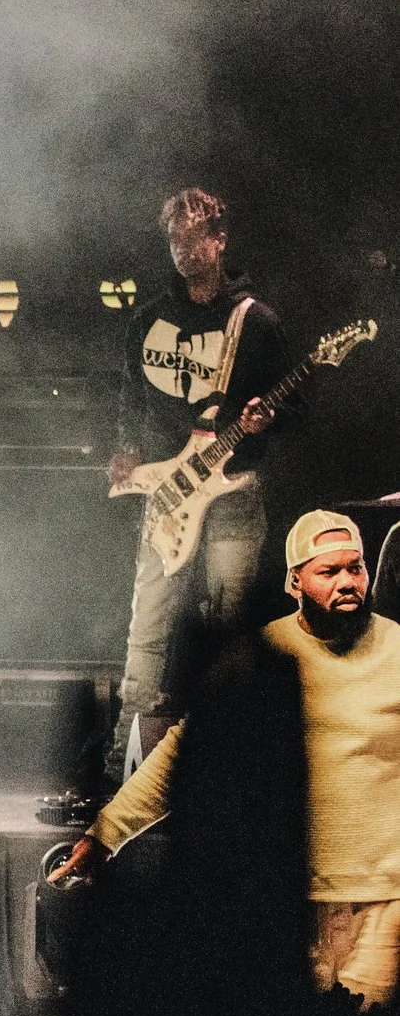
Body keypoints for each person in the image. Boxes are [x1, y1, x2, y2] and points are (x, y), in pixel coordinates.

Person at [61, 512, 400, 1002]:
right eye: (329, 571)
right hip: (287, 902)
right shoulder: (266, 656)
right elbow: (185, 755)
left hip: (385, 904)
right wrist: (106, 833)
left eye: (356, 567)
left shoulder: (396, 650)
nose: (348, 582)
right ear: (295, 582)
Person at [104, 188, 295, 777]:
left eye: (195, 240)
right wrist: (126, 447)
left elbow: (293, 410)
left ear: (220, 240)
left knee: (228, 625)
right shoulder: (147, 321)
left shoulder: (256, 323)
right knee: (148, 620)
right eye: (175, 242)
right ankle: (121, 755)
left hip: (233, 490)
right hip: (168, 490)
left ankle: (227, 754)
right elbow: (131, 397)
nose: (185, 252)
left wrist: (266, 420)